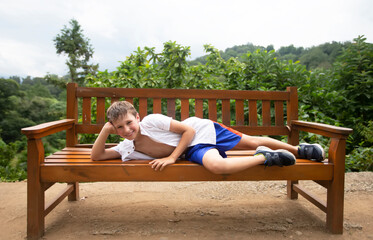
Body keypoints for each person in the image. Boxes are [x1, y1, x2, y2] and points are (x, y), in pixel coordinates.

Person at [91, 101, 324, 174]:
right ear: (114, 128)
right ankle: (265, 157)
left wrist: (172, 157)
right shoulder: (127, 147)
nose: (126, 129)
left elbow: (188, 131)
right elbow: (97, 155)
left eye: (129, 122)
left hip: (199, 130)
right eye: (119, 127)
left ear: (138, 118)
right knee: (217, 166)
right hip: (192, 149)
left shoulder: (151, 121)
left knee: (250, 141)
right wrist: (105, 130)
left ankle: (298, 149)